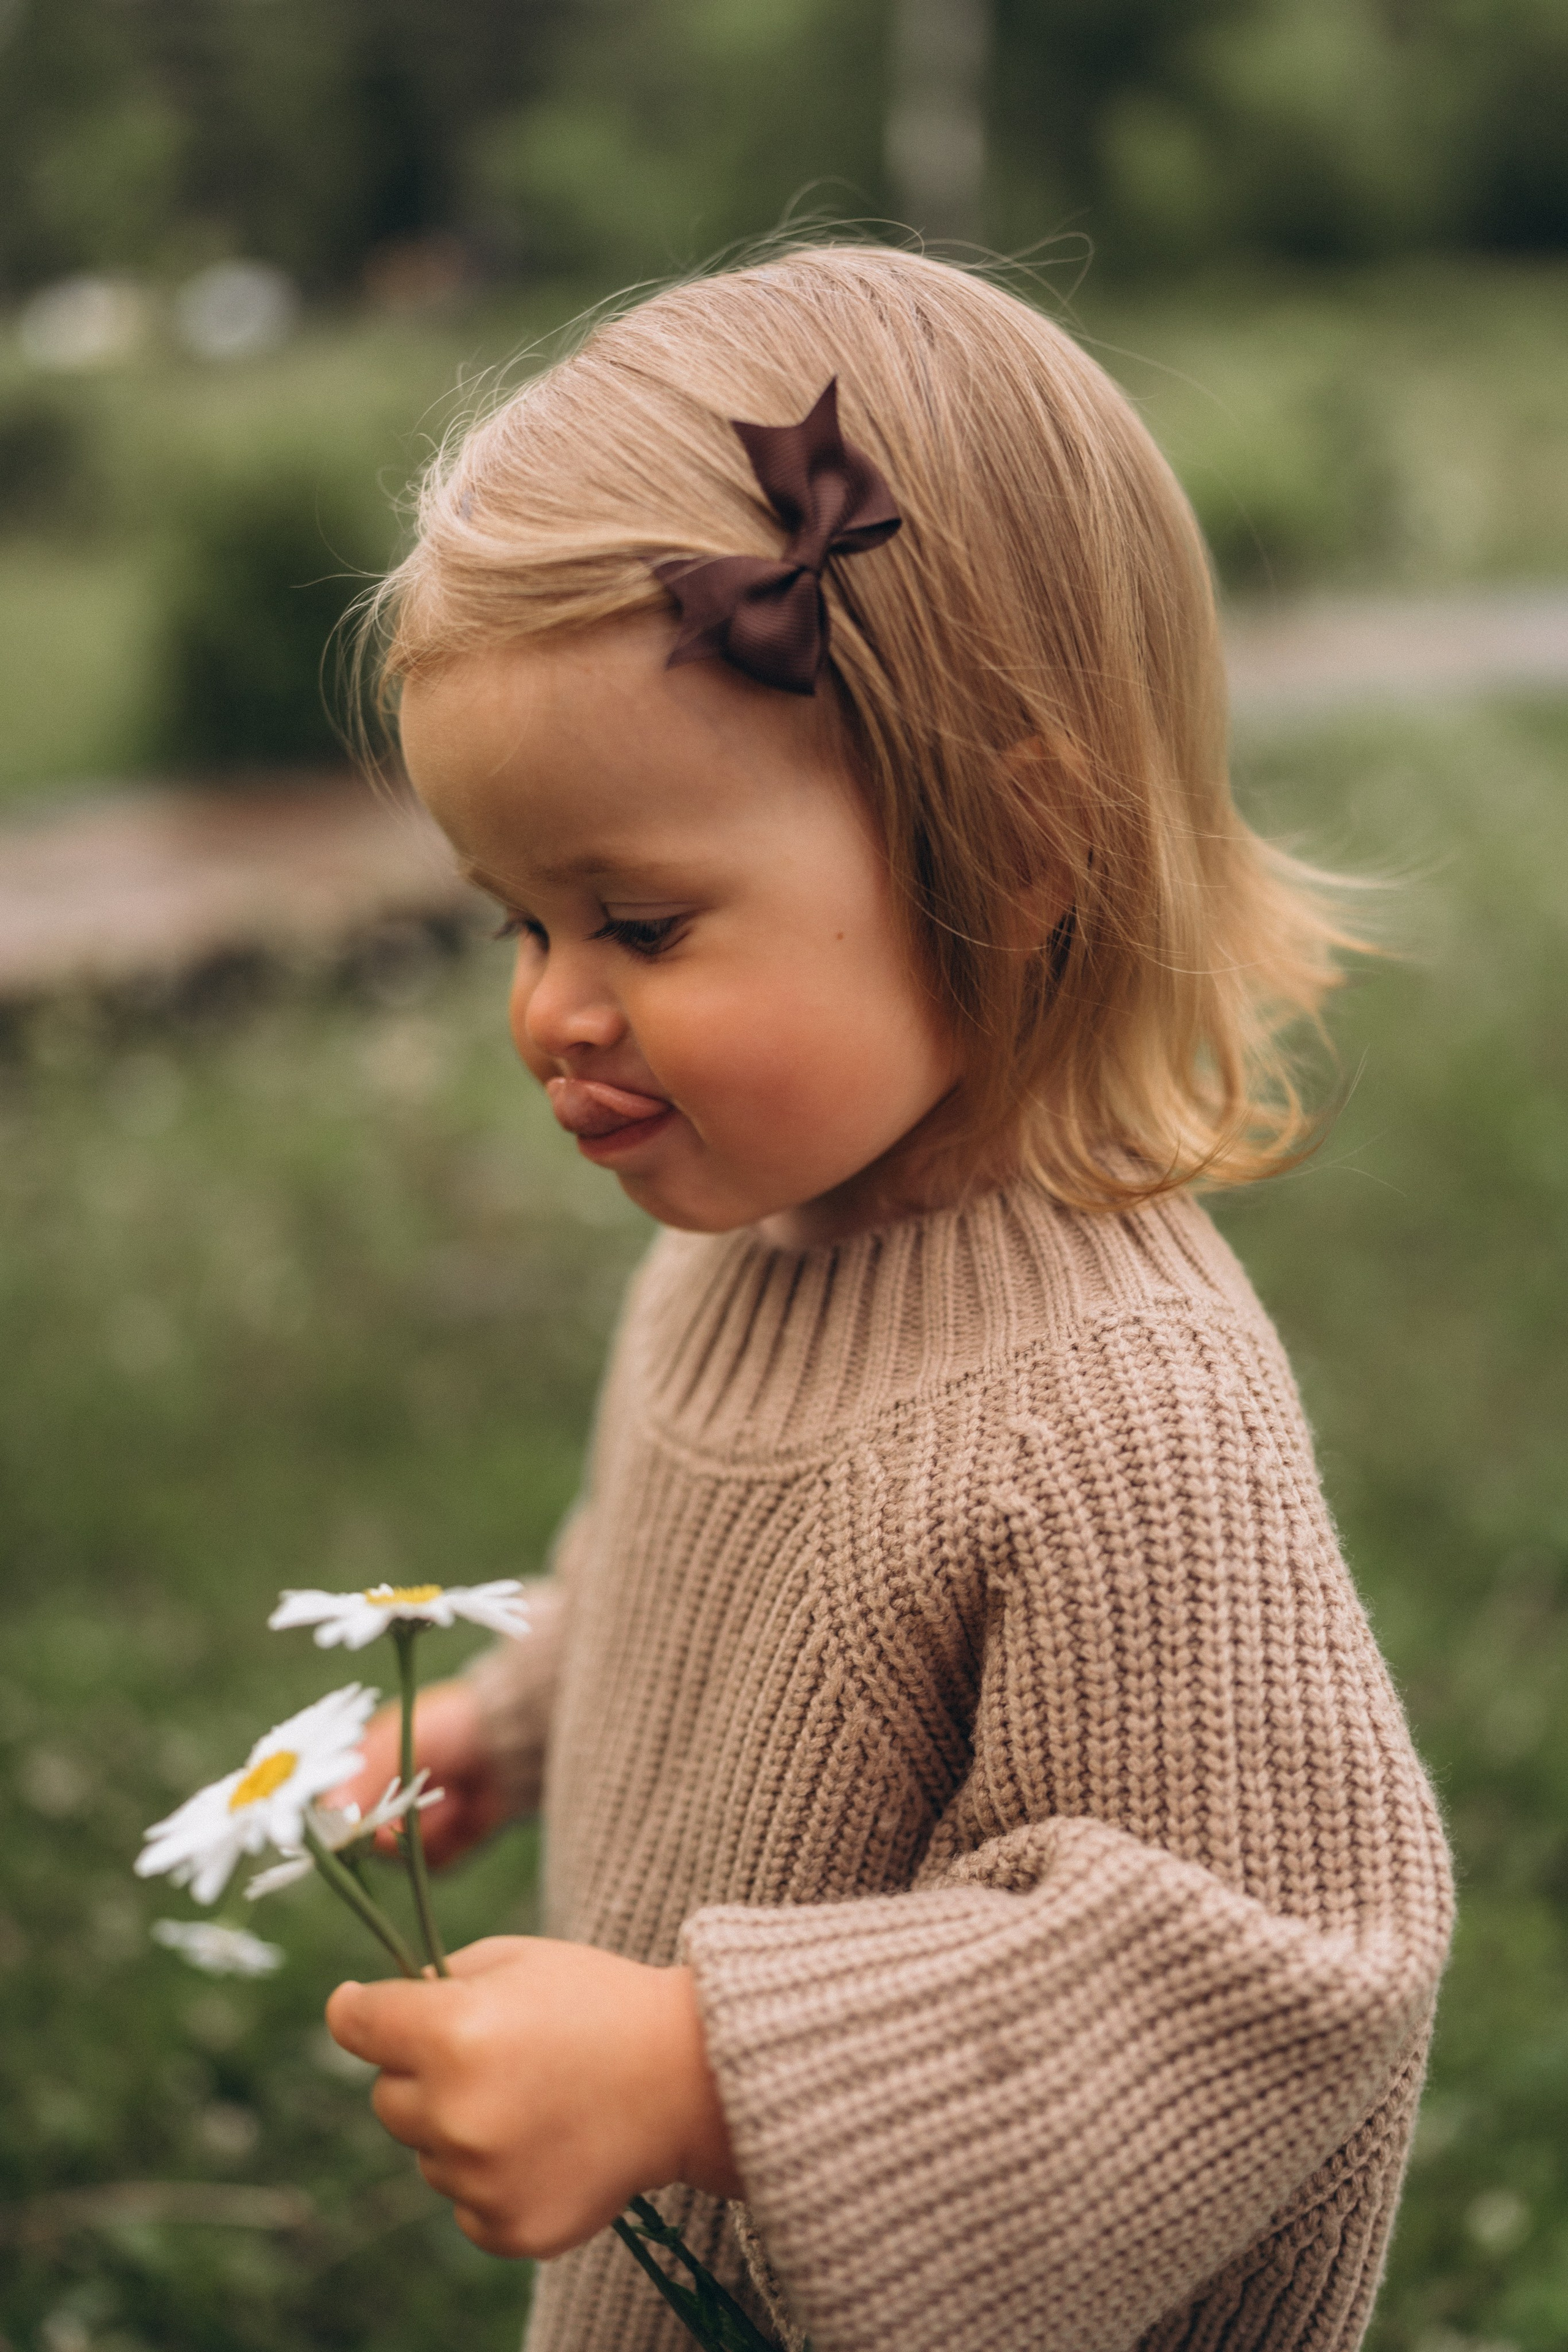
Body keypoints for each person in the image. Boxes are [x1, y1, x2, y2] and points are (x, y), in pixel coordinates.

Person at [325, 244, 1452, 2352]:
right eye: (518, 921)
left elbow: (1282, 1966)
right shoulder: (760, 1254)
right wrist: (523, 1709)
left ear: (1010, 855)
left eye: (640, 918)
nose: (554, 1011)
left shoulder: (1118, 1409)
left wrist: (701, 2075)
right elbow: (701, 1577)